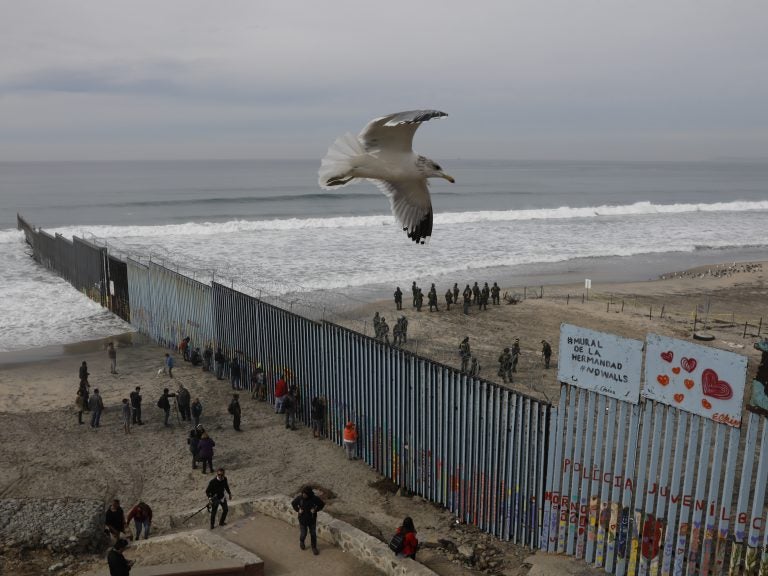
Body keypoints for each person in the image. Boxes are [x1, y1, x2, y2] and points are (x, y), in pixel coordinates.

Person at [291, 485, 325, 555]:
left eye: (305, 494)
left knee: (313, 534)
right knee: (304, 533)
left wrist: (315, 510)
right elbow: (293, 503)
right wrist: (298, 510)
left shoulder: (314, 498)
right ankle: (302, 541)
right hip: (302, 519)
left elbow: (322, 504)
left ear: (309, 494)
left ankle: (314, 547)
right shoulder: (300, 498)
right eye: (303, 493)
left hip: (312, 520)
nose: (304, 495)